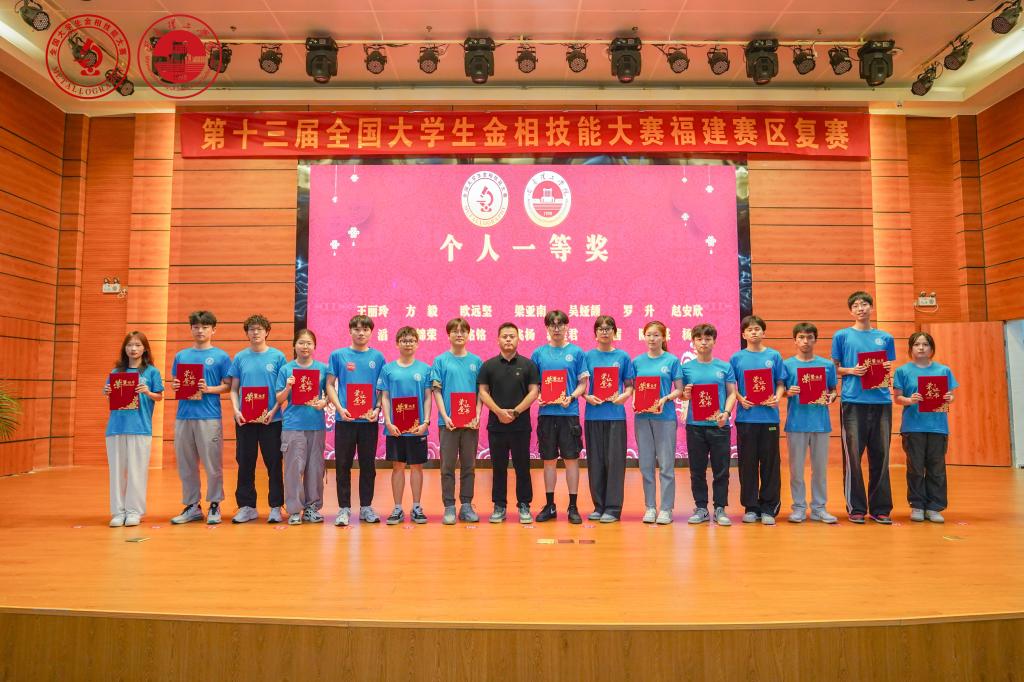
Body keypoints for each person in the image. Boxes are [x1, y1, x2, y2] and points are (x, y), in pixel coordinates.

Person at [832, 291, 897, 524]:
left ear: (871, 308)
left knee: (881, 456)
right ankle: (856, 507)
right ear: (851, 311)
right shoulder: (842, 336)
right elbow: (833, 368)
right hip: (853, 401)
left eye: (864, 304)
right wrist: (851, 370)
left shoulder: (885, 337)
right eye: (856, 306)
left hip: (881, 402)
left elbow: (887, 367)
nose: (861, 308)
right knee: (853, 458)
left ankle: (880, 509)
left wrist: (886, 368)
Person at [169, 310, 232, 526]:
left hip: (209, 416)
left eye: (205, 327)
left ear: (214, 330)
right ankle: (192, 506)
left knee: (212, 464)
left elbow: (229, 386)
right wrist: (176, 385)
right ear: (191, 329)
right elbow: (176, 382)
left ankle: (214, 504)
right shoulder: (181, 356)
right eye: (196, 327)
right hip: (184, 416)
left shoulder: (221, 356)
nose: (200, 331)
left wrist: (209, 389)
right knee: (186, 464)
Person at [325, 315, 386, 527]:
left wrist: (377, 409)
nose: (361, 333)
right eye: (357, 329)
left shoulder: (378, 357)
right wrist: (339, 408)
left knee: (368, 465)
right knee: (343, 465)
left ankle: (366, 507)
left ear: (371, 332)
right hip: (345, 419)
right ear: (350, 331)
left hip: (368, 421)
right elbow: (330, 384)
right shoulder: (338, 355)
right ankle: (344, 508)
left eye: (365, 329)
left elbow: (382, 388)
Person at [228, 314, 288, 524]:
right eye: (251, 329)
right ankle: (247, 507)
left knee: (274, 463)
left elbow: (282, 390)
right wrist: (236, 410)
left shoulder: (278, 357)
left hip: (272, 420)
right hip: (245, 420)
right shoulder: (240, 358)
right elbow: (233, 389)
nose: (255, 333)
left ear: (267, 332)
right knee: (245, 462)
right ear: (247, 333)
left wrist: (273, 411)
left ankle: (275, 507)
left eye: (259, 329)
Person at [531, 310, 590, 524]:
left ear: (567, 326)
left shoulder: (577, 352)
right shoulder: (539, 354)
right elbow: (534, 385)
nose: (556, 328)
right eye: (552, 325)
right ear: (547, 328)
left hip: (569, 413)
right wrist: (538, 396)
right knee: (548, 461)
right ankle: (550, 505)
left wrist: (571, 397)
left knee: (571, 460)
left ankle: (573, 506)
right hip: (547, 414)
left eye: (560, 324)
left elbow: (583, 383)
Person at [478, 322, 540, 524]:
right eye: (504, 336)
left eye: (512, 336)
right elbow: (483, 392)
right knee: (498, 467)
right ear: (498, 339)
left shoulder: (528, 365)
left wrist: (515, 412)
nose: (508, 339)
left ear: (518, 339)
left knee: (523, 466)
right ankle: (499, 505)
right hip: (496, 425)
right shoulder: (488, 366)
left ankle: (524, 505)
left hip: (520, 425)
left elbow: (534, 392)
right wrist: (498, 412)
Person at [893, 331, 957, 523]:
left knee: (936, 468)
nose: (921, 348)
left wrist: (949, 398)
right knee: (915, 468)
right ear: (911, 348)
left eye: (925, 344)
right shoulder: (902, 371)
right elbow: (897, 398)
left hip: (938, 426)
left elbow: (950, 396)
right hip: (913, 427)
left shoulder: (943, 370)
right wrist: (909, 400)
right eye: (917, 344)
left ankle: (935, 507)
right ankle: (917, 506)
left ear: (931, 348)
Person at [730, 315, 787, 526]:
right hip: (746, 418)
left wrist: (777, 398)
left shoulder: (774, 356)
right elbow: (731, 386)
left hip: (769, 418)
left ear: (764, 332)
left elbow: (780, 383)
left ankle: (769, 507)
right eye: (749, 330)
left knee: (770, 464)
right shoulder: (737, 358)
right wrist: (739, 398)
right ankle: (751, 507)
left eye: (757, 329)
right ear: (743, 334)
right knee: (748, 464)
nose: (754, 332)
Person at [104, 331, 164, 527]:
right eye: (130, 345)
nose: (133, 348)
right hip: (116, 428)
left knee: (137, 472)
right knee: (117, 472)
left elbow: (159, 396)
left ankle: (134, 512)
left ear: (144, 349)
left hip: (140, 427)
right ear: (125, 348)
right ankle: (118, 512)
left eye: (138, 345)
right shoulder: (116, 372)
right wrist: (108, 392)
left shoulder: (151, 372)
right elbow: (110, 397)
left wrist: (147, 392)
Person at [681, 323, 737, 527]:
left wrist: (726, 413)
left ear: (714, 341)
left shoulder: (724, 367)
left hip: (719, 425)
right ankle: (701, 508)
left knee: (721, 469)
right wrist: (686, 394)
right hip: (695, 426)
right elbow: (682, 394)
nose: (703, 343)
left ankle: (720, 508)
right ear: (693, 342)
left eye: (707, 339)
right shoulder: (686, 368)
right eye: (699, 339)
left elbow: (732, 394)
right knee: (697, 469)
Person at [782, 322, 839, 524]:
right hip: (796, 423)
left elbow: (833, 390)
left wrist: (832, 397)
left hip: (820, 423)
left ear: (815, 340)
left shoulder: (827, 365)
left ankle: (819, 508)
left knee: (820, 470)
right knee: (796, 469)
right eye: (801, 337)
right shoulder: (787, 365)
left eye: (809, 337)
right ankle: (798, 507)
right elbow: (780, 391)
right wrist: (788, 392)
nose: (805, 341)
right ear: (795, 340)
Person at [429, 318, 483, 525]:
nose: (459, 334)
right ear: (448, 335)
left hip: (470, 424)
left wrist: (477, 415)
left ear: (469, 334)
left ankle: (466, 506)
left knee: (469, 465)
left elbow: (481, 392)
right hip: (448, 423)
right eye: (455, 331)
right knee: (447, 466)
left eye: (463, 331)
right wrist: (445, 416)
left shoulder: (476, 361)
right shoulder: (440, 361)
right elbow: (437, 391)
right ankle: (449, 507)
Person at [377, 327, 433, 525]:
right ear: (397, 343)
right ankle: (397, 508)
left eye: (411, 340)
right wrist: (388, 421)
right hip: (395, 429)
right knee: (398, 467)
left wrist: (426, 422)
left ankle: (416, 507)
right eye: (404, 340)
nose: (408, 344)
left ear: (417, 343)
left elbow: (428, 397)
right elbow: (384, 396)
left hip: (417, 428)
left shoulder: (425, 369)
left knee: (417, 466)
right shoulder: (388, 369)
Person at [275, 329, 330, 525]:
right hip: (293, 426)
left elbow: (329, 394)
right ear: (294, 345)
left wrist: (324, 402)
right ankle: (294, 510)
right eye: (301, 343)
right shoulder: (286, 369)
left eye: (309, 343)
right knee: (293, 468)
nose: (305, 346)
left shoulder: (323, 369)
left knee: (315, 468)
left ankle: (312, 508)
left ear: (314, 346)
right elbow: (279, 399)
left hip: (316, 425)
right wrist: (288, 387)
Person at [583, 315, 634, 523]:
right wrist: (586, 396)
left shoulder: (623, 357)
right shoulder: (587, 356)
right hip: (593, 415)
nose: (604, 332)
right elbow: (581, 385)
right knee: (595, 462)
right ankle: (598, 506)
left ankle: (612, 508)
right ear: (595, 333)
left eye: (608, 328)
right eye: (601, 329)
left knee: (615, 462)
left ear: (615, 332)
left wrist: (624, 396)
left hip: (615, 416)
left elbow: (629, 385)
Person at [631, 321, 684, 524]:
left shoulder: (671, 360)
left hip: (665, 418)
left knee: (666, 465)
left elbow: (679, 389)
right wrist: (634, 399)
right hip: (642, 418)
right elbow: (633, 388)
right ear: (644, 337)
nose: (652, 339)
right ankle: (650, 507)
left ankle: (666, 509)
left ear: (663, 337)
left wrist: (666, 398)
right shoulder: (637, 362)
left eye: (656, 335)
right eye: (649, 335)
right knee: (645, 465)